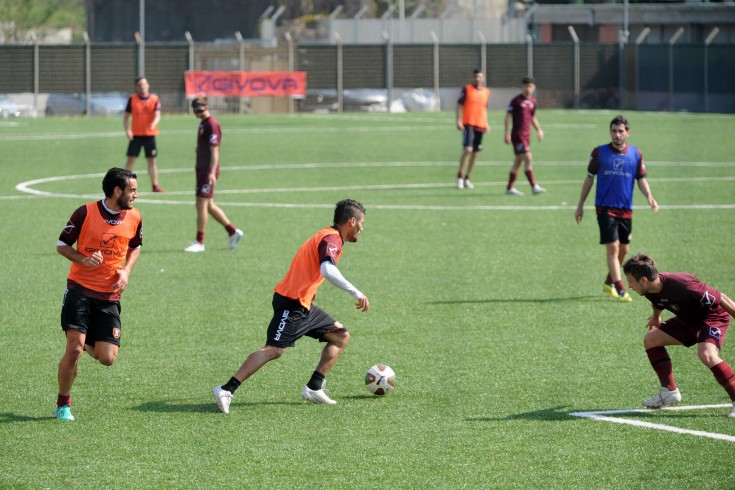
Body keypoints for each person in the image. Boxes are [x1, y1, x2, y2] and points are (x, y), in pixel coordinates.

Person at [212, 199, 370, 412]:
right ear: (352, 221)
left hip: (303, 304)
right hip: (291, 303)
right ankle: (226, 389)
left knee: (340, 336)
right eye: (361, 223)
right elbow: (327, 269)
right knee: (274, 350)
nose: (361, 229)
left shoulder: (328, 235)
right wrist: (356, 292)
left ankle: (314, 387)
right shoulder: (331, 238)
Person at [55, 168, 143, 421]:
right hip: (79, 290)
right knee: (73, 350)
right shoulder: (85, 212)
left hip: (109, 297)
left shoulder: (134, 217)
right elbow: (62, 245)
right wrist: (83, 259)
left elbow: (135, 247)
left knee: (107, 358)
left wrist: (126, 272)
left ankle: (84, 343)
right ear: (117, 191)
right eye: (132, 190)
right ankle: (63, 404)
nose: (136, 195)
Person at [623, 254, 735, 418]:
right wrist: (656, 316)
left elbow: (721, 297)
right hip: (688, 319)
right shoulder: (649, 289)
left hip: (712, 318)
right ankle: (669, 391)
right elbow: (658, 301)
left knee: (707, 354)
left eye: (631, 281)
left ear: (644, 280)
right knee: (651, 339)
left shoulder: (683, 284)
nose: (629, 286)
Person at [574, 114, 658, 302]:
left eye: (621, 131)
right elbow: (589, 178)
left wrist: (649, 196)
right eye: (614, 131)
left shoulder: (636, 154)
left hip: (625, 209)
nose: (617, 135)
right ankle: (620, 288)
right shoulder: (599, 152)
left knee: (624, 250)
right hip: (605, 208)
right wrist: (580, 205)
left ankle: (609, 281)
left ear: (628, 133)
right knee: (612, 247)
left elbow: (641, 179)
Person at [183, 96, 243, 253]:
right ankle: (232, 232)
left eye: (199, 107)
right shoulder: (203, 123)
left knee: (201, 204)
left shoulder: (211, 124)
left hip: (207, 170)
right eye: (194, 108)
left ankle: (200, 242)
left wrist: (211, 172)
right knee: (208, 205)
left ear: (206, 106)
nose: (196, 111)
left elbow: (215, 149)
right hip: (201, 168)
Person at [504, 76, 545, 196]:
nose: (528, 88)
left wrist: (539, 130)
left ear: (534, 87)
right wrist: (506, 133)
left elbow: (532, 117)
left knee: (518, 162)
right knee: (528, 157)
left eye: (530, 86)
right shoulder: (516, 101)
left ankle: (509, 188)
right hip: (517, 135)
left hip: (527, 136)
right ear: (522, 87)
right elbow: (507, 117)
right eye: (525, 86)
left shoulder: (533, 102)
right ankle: (534, 186)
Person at [123, 77, 164, 192]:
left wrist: (154, 123)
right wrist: (127, 130)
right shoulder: (132, 99)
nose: (143, 86)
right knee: (130, 159)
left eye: (144, 84)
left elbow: (157, 114)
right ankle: (123, 184)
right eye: (140, 85)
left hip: (150, 135)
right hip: (135, 135)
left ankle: (155, 185)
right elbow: (126, 117)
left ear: (148, 85)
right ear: (136, 87)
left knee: (152, 160)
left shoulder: (155, 99)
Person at [455, 69, 490, 190]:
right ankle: (459, 176)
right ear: (473, 78)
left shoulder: (486, 92)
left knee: (476, 152)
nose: (477, 79)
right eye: (476, 77)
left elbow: (484, 109)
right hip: (468, 124)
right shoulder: (467, 89)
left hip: (480, 125)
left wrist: (486, 123)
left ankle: (467, 178)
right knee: (468, 150)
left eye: (480, 77)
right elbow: (459, 104)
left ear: (483, 79)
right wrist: (459, 120)